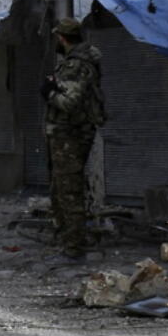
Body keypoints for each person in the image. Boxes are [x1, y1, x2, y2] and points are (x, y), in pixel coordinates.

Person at [42, 17, 106, 261]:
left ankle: (73, 246)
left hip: (69, 133)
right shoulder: (77, 62)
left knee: (69, 190)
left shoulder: (76, 64)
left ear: (62, 38)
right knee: (61, 188)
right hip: (69, 133)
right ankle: (68, 238)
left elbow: (69, 102)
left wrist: (49, 93)